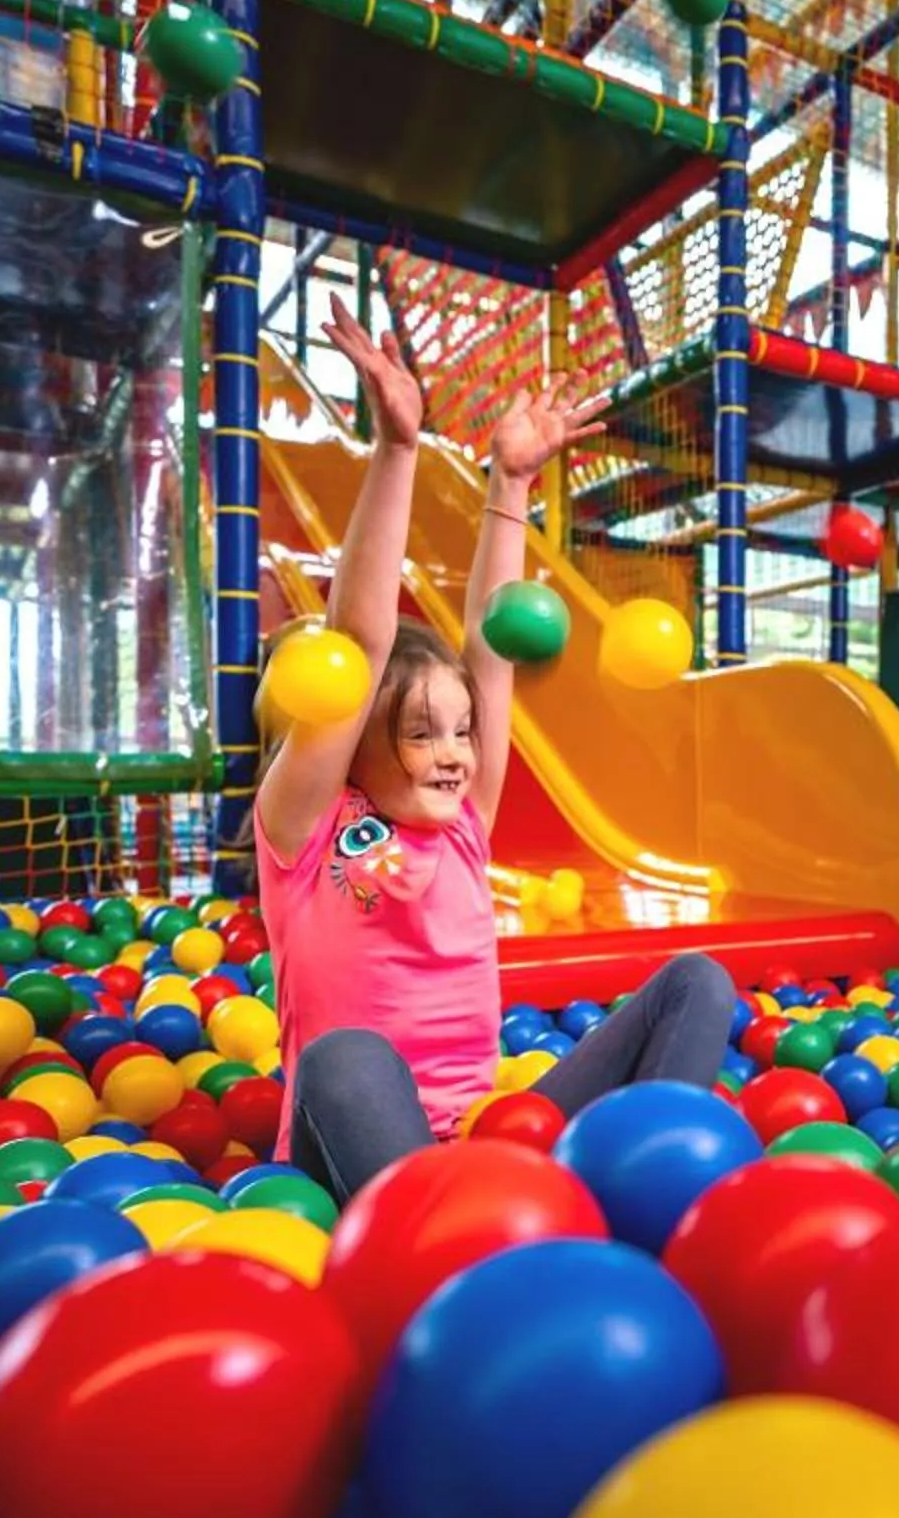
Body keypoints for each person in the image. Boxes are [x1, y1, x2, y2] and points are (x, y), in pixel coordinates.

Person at [251, 303, 740, 1203]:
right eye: (419, 732)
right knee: (349, 1060)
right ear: (356, 741)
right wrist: (397, 452)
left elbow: (491, 639)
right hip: (362, 1150)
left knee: (696, 984)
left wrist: (509, 485)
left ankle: (652, 1191)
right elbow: (355, 648)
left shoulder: (467, 827)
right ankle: (443, 1245)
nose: (453, 754)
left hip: (487, 1143)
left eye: (461, 732)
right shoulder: (307, 831)